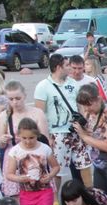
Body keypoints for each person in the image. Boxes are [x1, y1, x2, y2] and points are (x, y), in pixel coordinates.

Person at [34, 54, 92, 192]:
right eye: (67, 65)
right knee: (58, 167)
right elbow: (39, 113)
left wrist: (85, 124)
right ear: (58, 67)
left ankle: (90, 192)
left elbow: (80, 106)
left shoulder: (72, 83)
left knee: (84, 162)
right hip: (57, 133)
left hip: (76, 130)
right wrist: (45, 136)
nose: (70, 69)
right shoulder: (43, 86)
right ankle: (54, 196)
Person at [4, 117, 59, 205]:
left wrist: (49, 176)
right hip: (26, 194)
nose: (28, 141)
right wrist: (20, 178)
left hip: (44, 192)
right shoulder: (15, 151)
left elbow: (55, 167)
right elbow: (9, 174)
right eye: (24, 138)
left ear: (37, 135)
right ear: (19, 136)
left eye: (31, 138)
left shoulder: (44, 148)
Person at [0, 80, 50, 197]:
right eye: (11, 99)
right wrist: (2, 140)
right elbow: (0, 144)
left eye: (18, 98)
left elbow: (45, 140)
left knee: (38, 192)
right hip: (13, 157)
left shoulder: (37, 113)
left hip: (35, 156)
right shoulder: (4, 116)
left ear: (24, 96)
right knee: (15, 195)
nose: (15, 102)